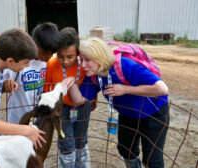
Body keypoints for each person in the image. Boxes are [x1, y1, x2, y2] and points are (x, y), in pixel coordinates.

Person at [68, 37, 170, 168]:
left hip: (153, 114)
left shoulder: (125, 65)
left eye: (87, 60)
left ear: (99, 57)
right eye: (81, 60)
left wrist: (126, 89)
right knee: (125, 150)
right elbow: (79, 99)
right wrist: (69, 83)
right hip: (128, 115)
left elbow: (162, 89)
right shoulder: (93, 75)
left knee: (152, 160)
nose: (83, 65)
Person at [44, 27, 92, 168]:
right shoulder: (52, 65)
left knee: (81, 139)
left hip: (83, 106)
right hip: (62, 108)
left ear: (77, 52)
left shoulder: (84, 64)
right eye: (60, 56)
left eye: (70, 57)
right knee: (66, 142)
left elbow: (92, 84)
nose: (65, 61)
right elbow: (47, 90)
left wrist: (93, 99)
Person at [3, 22, 60, 124]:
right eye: (45, 53)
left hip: (38, 118)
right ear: (34, 45)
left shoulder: (49, 63)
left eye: (51, 54)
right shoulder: (19, 61)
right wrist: (7, 84)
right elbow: (3, 84)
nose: (48, 58)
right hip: (17, 118)